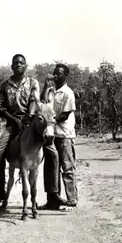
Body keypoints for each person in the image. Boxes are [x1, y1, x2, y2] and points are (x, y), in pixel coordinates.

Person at [0, 54, 39, 209]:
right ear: (11, 66)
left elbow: (34, 101)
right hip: (12, 124)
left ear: (26, 65)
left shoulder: (32, 82)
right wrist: (15, 120)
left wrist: (28, 118)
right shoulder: (4, 85)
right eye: (15, 63)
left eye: (21, 63)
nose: (18, 65)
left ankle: (51, 194)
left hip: (29, 122)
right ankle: (0, 191)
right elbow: (1, 108)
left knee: (48, 148)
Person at [40, 63, 78, 210]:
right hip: (51, 134)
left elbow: (65, 114)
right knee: (50, 167)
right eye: (54, 73)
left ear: (65, 76)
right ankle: (52, 199)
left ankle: (72, 199)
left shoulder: (68, 93)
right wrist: (45, 85)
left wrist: (51, 121)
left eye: (59, 73)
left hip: (63, 134)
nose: (55, 75)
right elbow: (42, 103)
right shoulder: (50, 91)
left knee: (67, 166)